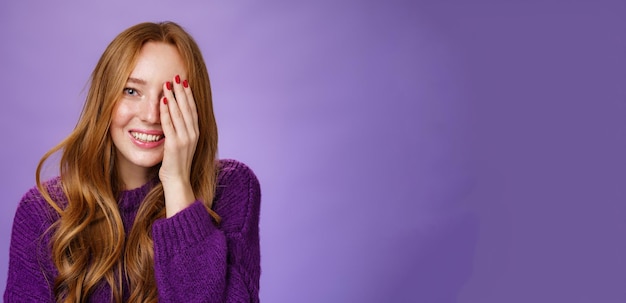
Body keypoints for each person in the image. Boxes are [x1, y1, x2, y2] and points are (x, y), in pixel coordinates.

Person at [4, 21, 261, 303]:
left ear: (194, 106)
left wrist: (177, 182)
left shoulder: (232, 189)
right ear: (105, 100)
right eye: (131, 91)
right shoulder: (42, 212)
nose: (151, 115)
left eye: (171, 95)